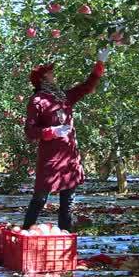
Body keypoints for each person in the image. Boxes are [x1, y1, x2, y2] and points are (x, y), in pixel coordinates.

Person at [22, 49, 109, 230]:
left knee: (68, 203)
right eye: (50, 73)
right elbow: (30, 131)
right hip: (51, 159)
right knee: (40, 199)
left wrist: (99, 64)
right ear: (43, 79)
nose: (54, 75)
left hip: (69, 158)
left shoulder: (63, 97)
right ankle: (24, 234)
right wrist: (51, 131)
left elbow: (86, 87)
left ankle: (65, 239)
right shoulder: (37, 100)